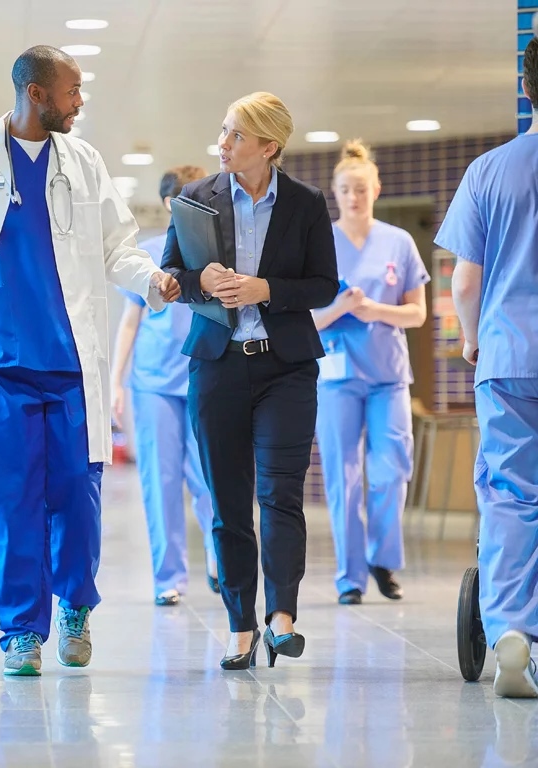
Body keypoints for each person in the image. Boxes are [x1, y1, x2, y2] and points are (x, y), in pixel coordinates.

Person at [0, 45, 180, 676]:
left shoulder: (83, 162)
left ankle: (75, 607)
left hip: (69, 366)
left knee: (77, 500)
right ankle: (19, 633)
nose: (80, 101)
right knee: (13, 502)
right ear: (35, 92)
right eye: (72, 90)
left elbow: (118, 248)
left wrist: (153, 282)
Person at [162, 92, 339, 670]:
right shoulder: (195, 199)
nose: (223, 144)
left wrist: (268, 290)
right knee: (229, 503)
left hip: (285, 367)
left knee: (280, 493)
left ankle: (281, 617)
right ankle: (241, 625)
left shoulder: (307, 204)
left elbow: (323, 286)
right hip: (217, 367)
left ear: (269, 146)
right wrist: (200, 280)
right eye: (223, 131)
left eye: (236, 135)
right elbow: (170, 276)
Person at [435, 37, 538, 699]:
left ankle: (510, 632)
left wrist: (473, 340)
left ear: (527, 90)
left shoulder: (490, 170)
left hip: (508, 358)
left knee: (509, 496)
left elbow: (464, 283)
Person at [312, 140, 430, 606]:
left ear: (376, 188)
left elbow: (417, 314)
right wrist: (339, 307)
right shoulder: (322, 244)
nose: (354, 197)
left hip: (388, 377)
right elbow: (305, 319)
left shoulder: (397, 242)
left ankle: (383, 558)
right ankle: (350, 577)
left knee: (390, 471)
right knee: (344, 478)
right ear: (335, 194)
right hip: (336, 378)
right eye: (345, 190)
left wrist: (373, 309)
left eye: (361, 188)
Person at [110, 165, 219, 606]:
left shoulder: (216, 253)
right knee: (161, 480)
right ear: (170, 204)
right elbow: (130, 322)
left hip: (205, 379)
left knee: (211, 479)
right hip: (154, 383)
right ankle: (168, 579)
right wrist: (116, 382)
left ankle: (219, 561)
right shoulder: (148, 255)